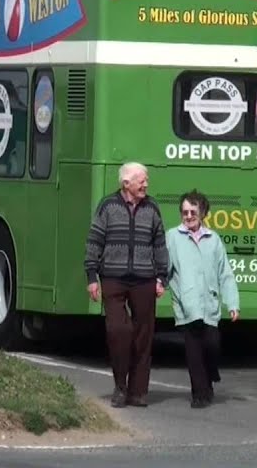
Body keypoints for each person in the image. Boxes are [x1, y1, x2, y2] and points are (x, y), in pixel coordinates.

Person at [84, 162, 169, 408]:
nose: (146, 184)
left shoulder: (152, 207)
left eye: (146, 180)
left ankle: (138, 392)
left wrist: (162, 277)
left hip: (144, 279)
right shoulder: (108, 206)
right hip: (113, 277)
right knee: (118, 331)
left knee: (144, 336)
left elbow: (159, 245)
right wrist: (91, 276)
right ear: (126, 183)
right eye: (141, 180)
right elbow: (94, 240)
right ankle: (120, 386)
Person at [165, 189, 239, 409]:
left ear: (203, 212)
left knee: (212, 345)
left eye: (193, 211)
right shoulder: (172, 237)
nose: (188, 216)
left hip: (210, 305)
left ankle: (211, 374)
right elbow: (164, 267)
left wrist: (232, 303)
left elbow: (225, 273)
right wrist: (159, 283)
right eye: (185, 212)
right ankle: (199, 394)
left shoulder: (213, 239)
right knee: (194, 353)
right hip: (186, 305)